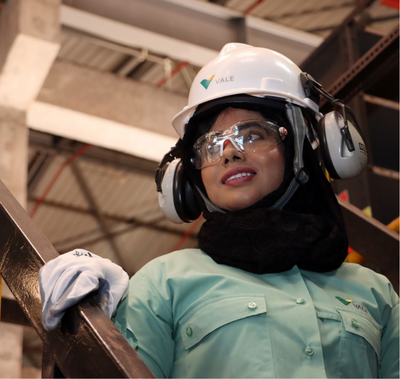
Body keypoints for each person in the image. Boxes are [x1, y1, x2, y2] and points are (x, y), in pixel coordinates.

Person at [39, 43, 399, 378]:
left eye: (253, 134)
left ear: (307, 144)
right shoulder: (164, 283)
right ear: (186, 177)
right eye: (210, 146)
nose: (229, 154)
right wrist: (91, 336)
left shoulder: (376, 294)